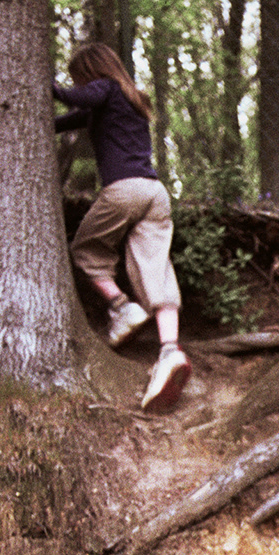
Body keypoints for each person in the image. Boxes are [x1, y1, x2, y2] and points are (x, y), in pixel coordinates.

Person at [54, 43, 190, 414]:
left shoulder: (105, 89)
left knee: (86, 250)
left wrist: (43, 84)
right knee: (155, 268)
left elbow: (69, 98)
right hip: (155, 194)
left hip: (125, 189)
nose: (78, 85)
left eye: (79, 76)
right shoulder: (131, 99)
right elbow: (64, 120)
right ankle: (169, 352)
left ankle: (120, 306)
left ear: (91, 73)